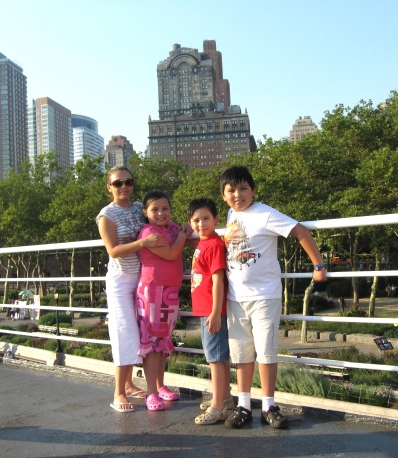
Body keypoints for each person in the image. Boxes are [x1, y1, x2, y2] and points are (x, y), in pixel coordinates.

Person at [220, 165, 327, 430]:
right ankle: (243, 405)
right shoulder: (231, 214)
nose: (238, 194)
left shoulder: (265, 213)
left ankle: (268, 406)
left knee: (266, 352)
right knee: (242, 353)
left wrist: (319, 266)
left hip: (264, 296)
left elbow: (301, 232)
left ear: (253, 191)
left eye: (243, 188)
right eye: (231, 190)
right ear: (224, 196)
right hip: (235, 297)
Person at [96, 166, 167, 413]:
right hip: (120, 279)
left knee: (142, 332)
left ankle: (128, 384)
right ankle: (118, 392)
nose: (123, 186)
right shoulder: (107, 215)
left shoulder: (139, 208)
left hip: (143, 278)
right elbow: (113, 250)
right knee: (124, 332)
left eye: (128, 182)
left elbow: (160, 221)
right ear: (110, 187)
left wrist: (185, 232)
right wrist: (142, 242)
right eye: (118, 183)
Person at [136, 191, 188, 411]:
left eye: (165, 208)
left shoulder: (171, 228)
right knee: (153, 345)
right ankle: (151, 393)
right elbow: (172, 253)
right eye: (154, 209)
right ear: (145, 213)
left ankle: (160, 385)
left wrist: (185, 229)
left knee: (163, 343)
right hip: (153, 292)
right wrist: (184, 235)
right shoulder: (149, 232)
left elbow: (188, 231)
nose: (160, 213)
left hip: (170, 292)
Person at [188, 198, 233, 425]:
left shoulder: (214, 244)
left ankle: (218, 406)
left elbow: (218, 280)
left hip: (212, 310)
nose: (201, 224)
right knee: (219, 356)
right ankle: (225, 397)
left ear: (216, 219)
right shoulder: (204, 242)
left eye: (206, 218)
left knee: (214, 358)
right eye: (196, 220)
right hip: (208, 309)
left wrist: (215, 312)